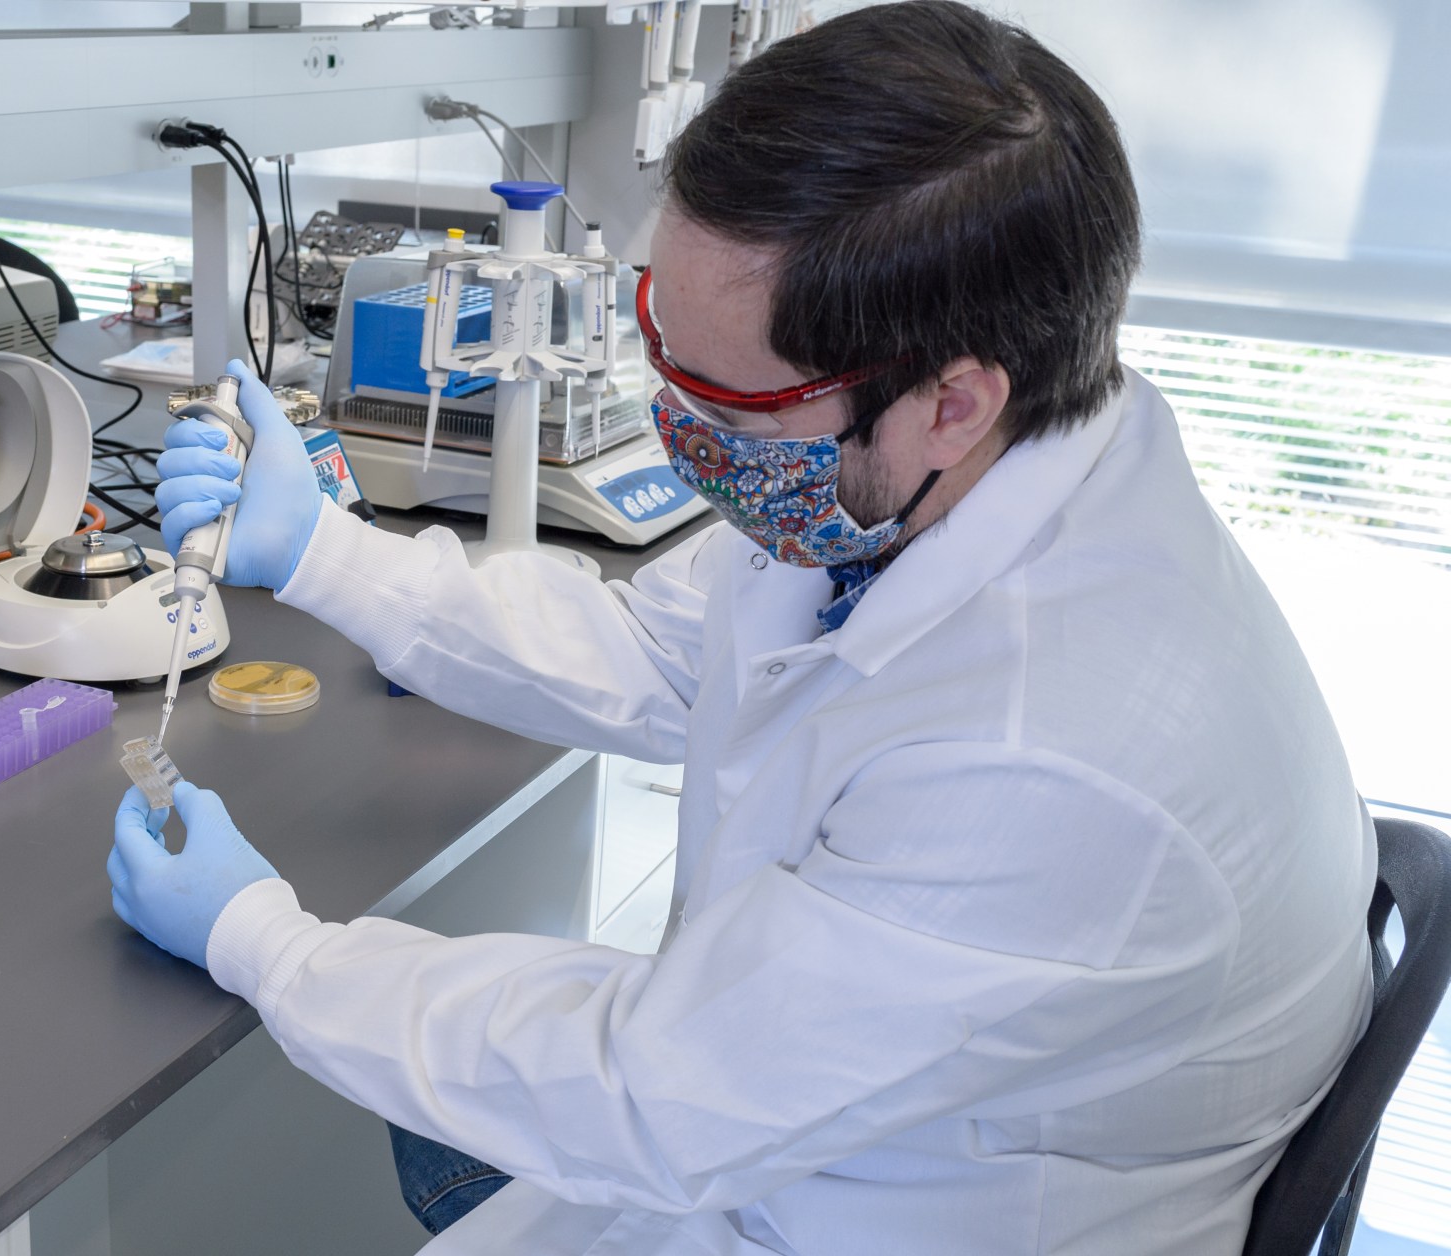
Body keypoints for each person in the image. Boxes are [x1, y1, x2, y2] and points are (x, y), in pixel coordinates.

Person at [105, 3, 1376, 1252]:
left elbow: (649, 1103)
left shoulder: (1046, 751)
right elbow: (666, 648)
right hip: (835, 1101)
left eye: (730, 401)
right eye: (662, 337)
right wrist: (328, 552)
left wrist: (261, 942)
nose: (679, 426)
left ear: (949, 399)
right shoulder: (951, 476)